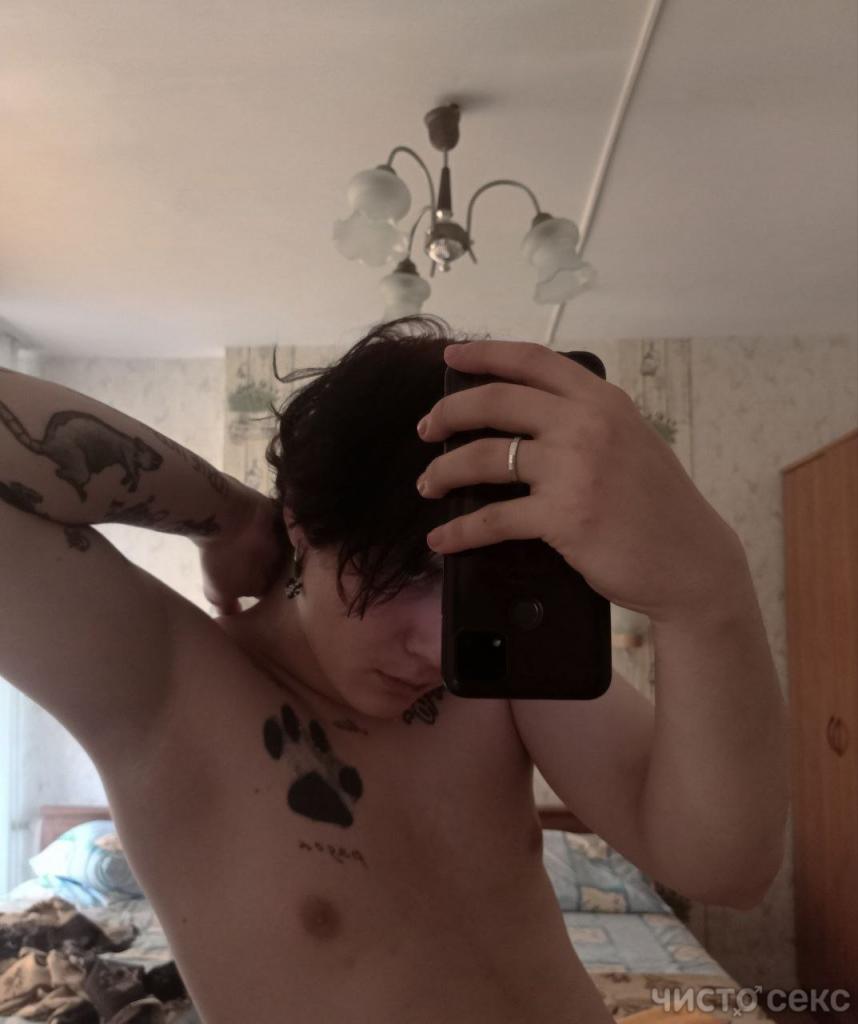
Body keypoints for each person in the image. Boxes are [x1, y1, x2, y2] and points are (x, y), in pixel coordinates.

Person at [0, 314, 788, 1023]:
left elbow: (726, 868)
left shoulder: (498, 669)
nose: (442, 648)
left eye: (476, 585)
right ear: (305, 523)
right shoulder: (165, 687)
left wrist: (708, 594)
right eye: (408, 576)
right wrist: (230, 515)